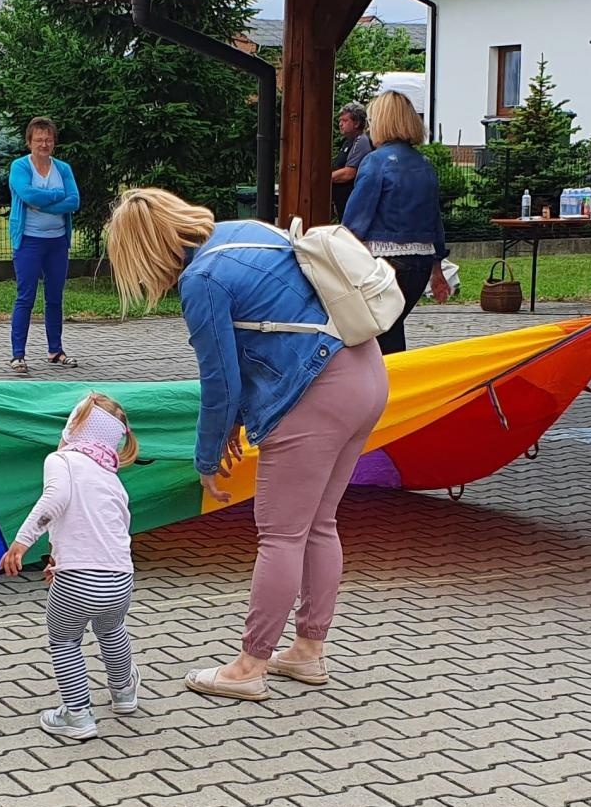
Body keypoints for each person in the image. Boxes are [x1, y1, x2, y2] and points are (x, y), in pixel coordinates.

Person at [104, 188, 389, 701]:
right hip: (366, 374)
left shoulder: (202, 280)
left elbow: (220, 381)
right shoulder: (249, 230)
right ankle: (308, 649)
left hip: (316, 393)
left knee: (280, 536)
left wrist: (207, 455)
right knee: (319, 524)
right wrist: (235, 426)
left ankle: (249, 666)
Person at [0, 393, 142, 739]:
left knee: (64, 640)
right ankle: (124, 693)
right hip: (120, 578)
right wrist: (61, 560)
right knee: (112, 630)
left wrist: (22, 541)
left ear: (74, 427)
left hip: (77, 581)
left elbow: (55, 500)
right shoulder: (110, 477)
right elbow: (112, 528)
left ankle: (77, 715)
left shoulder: (61, 460)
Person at [342, 91, 452, 354]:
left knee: (377, 335)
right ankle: (397, 376)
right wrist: (437, 269)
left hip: (386, 263)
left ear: (381, 121)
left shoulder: (375, 162)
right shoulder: (424, 164)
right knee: (392, 328)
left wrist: (339, 254)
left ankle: (386, 378)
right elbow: (434, 219)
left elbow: (356, 220)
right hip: (420, 264)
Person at [7, 117, 81, 375]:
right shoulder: (20, 166)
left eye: (48, 139)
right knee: (25, 296)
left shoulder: (63, 169)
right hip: (29, 241)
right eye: (38, 139)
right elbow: (27, 194)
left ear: (54, 142)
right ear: (29, 142)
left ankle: (55, 350)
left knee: (55, 297)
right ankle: (18, 355)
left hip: (57, 241)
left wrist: (44, 204)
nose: (44, 144)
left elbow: (74, 201)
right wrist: (56, 197)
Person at [330, 101, 373, 220]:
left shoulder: (361, 141)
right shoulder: (348, 141)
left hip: (353, 206)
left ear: (357, 123)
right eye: (340, 120)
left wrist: (323, 180)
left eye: (345, 120)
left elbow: (349, 173)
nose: (340, 124)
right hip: (343, 204)